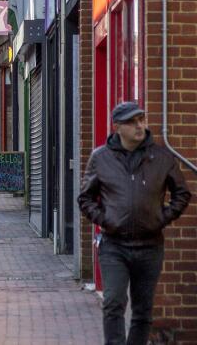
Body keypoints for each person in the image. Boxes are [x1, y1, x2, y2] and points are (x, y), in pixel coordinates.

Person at [78, 101, 190, 345]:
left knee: (142, 311)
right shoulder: (101, 158)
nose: (140, 126)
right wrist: (105, 220)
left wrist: (163, 217)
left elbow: (182, 193)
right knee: (113, 302)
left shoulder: (161, 157)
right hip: (114, 245)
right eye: (132, 122)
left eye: (142, 119)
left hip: (150, 246)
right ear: (117, 126)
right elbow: (85, 198)